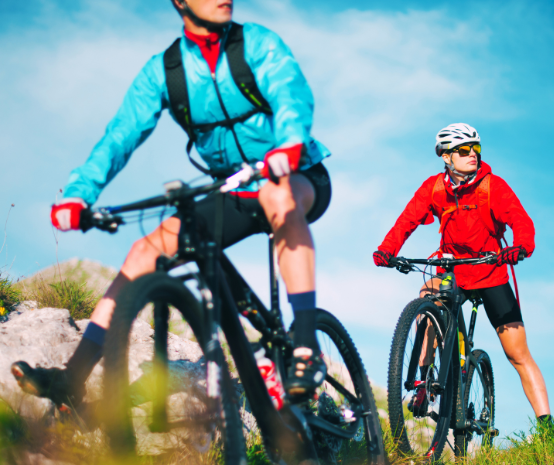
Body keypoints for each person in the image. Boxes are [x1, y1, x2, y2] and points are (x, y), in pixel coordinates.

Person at [12, 0, 330, 409]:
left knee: (279, 196)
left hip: (296, 171)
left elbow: (290, 93)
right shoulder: (166, 71)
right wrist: (80, 194)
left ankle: (306, 343)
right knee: (146, 250)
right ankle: (72, 378)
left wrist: (289, 142)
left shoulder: (256, 43)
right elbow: (120, 136)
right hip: (232, 187)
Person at [373, 123, 552, 424]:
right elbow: (406, 221)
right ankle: (424, 383)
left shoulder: (492, 186)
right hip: (453, 271)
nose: (473, 155)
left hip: (490, 272)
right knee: (427, 297)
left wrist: (520, 246)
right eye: (464, 150)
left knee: (517, 354)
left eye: (476, 149)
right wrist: (386, 249)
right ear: (446, 156)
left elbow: (521, 220)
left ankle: (549, 427)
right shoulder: (434, 188)